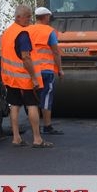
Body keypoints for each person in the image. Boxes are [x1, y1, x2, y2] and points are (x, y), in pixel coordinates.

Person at [0, 4, 53, 148]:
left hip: (11, 77)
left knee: (15, 105)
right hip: (24, 77)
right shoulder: (22, 34)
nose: (29, 19)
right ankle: (37, 139)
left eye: (30, 16)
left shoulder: (7, 32)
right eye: (27, 17)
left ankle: (16, 138)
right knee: (32, 105)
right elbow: (26, 57)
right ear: (18, 17)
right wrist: (34, 77)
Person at [29, 7, 64, 135]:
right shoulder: (49, 31)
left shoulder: (28, 30)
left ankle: (35, 127)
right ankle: (47, 126)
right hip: (46, 70)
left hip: (31, 70)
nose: (49, 19)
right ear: (45, 17)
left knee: (32, 99)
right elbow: (56, 52)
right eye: (48, 16)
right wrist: (60, 69)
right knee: (46, 97)